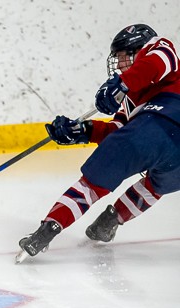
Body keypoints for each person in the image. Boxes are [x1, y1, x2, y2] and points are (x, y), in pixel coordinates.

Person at [17, 24, 180, 261]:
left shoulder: (158, 48)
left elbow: (158, 61)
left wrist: (124, 82)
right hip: (163, 150)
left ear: (139, 48)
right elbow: (118, 131)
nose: (121, 64)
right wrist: (82, 131)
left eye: (124, 57)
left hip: (158, 122)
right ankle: (110, 220)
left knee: (92, 185)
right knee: (155, 185)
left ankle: (48, 228)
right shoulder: (131, 101)